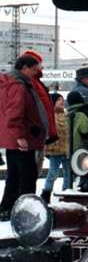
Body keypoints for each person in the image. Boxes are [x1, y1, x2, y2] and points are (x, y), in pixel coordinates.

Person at [0, 54, 48, 220]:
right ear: (24, 68)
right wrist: (20, 136)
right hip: (22, 139)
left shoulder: (10, 83)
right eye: (34, 69)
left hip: (13, 138)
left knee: (14, 175)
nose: (36, 73)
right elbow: (15, 113)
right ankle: (25, 211)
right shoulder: (19, 86)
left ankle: (7, 208)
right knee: (27, 176)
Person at [41, 93, 70, 201]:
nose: (62, 101)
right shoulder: (49, 115)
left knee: (68, 173)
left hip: (67, 150)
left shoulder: (67, 114)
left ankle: (66, 194)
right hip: (55, 150)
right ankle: (46, 193)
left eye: (62, 99)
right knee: (53, 173)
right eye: (58, 99)